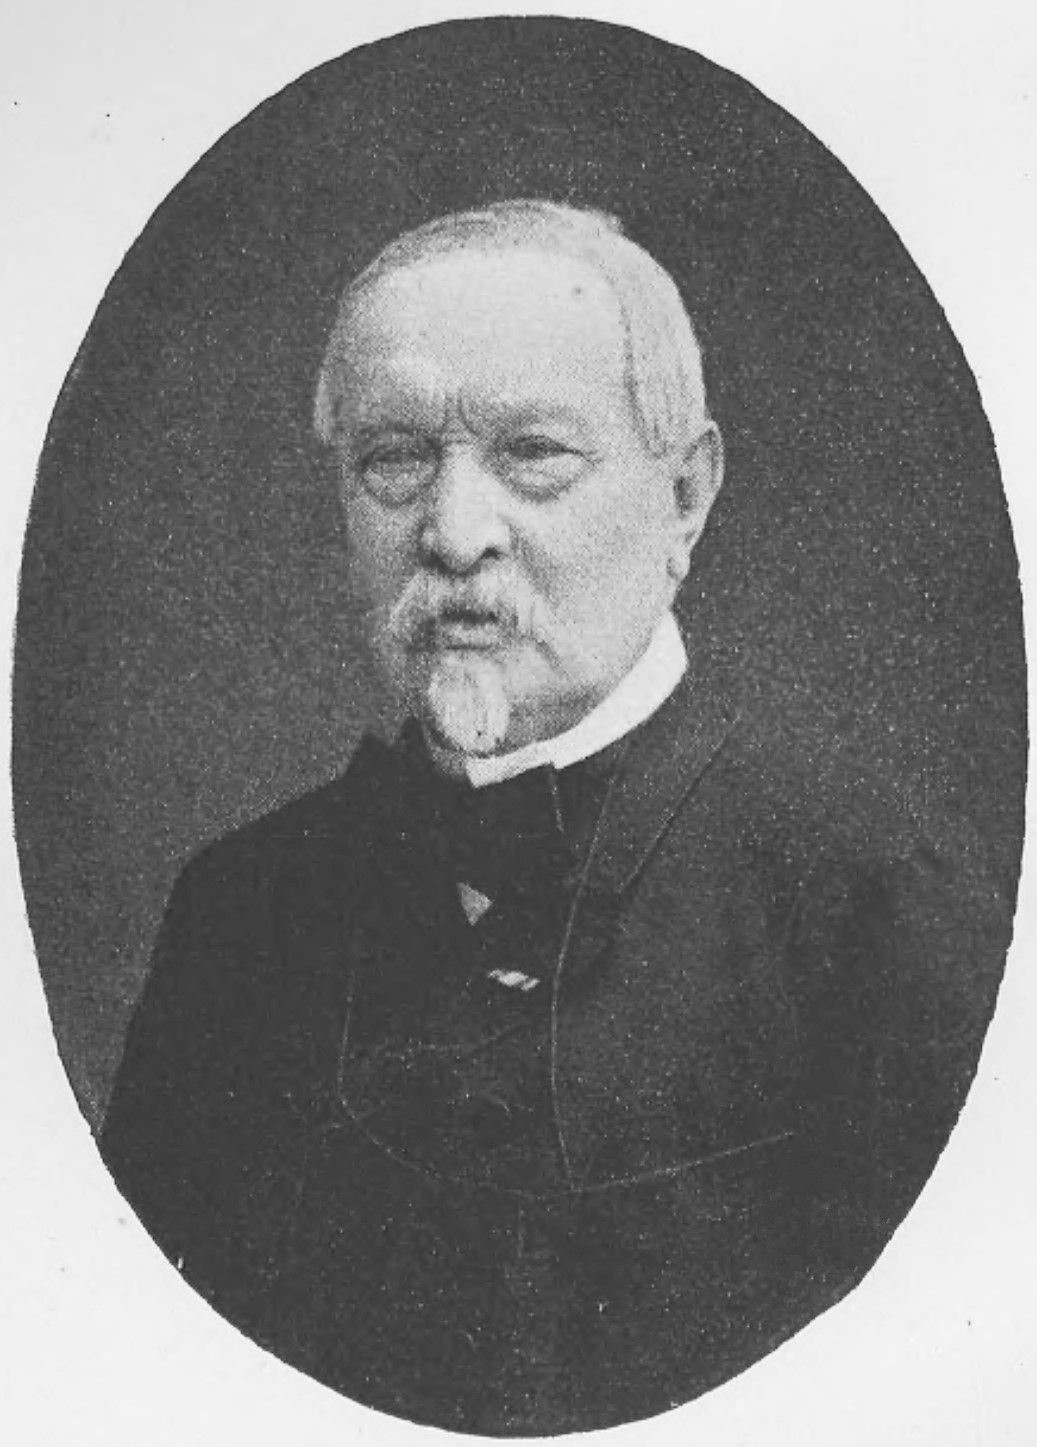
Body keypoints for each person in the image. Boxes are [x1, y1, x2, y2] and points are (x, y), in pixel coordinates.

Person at [100, 201, 1008, 1435]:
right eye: (392, 459)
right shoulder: (236, 915)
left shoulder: (873, 910)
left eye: (531, 452)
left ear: (683, 495)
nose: (453, 533)